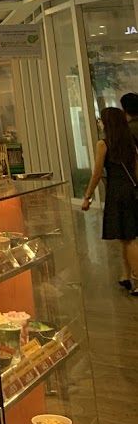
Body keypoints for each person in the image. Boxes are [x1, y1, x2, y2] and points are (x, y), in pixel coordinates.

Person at [82, 107, 138, 293]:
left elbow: (97, 173)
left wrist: (88, 196)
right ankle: (126, 276)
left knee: (129, 239)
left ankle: (136, 280)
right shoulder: (131, 142)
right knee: (126, 237)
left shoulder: (103, 144)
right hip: (131, 192)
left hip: (117, 193)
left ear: (107, 123)